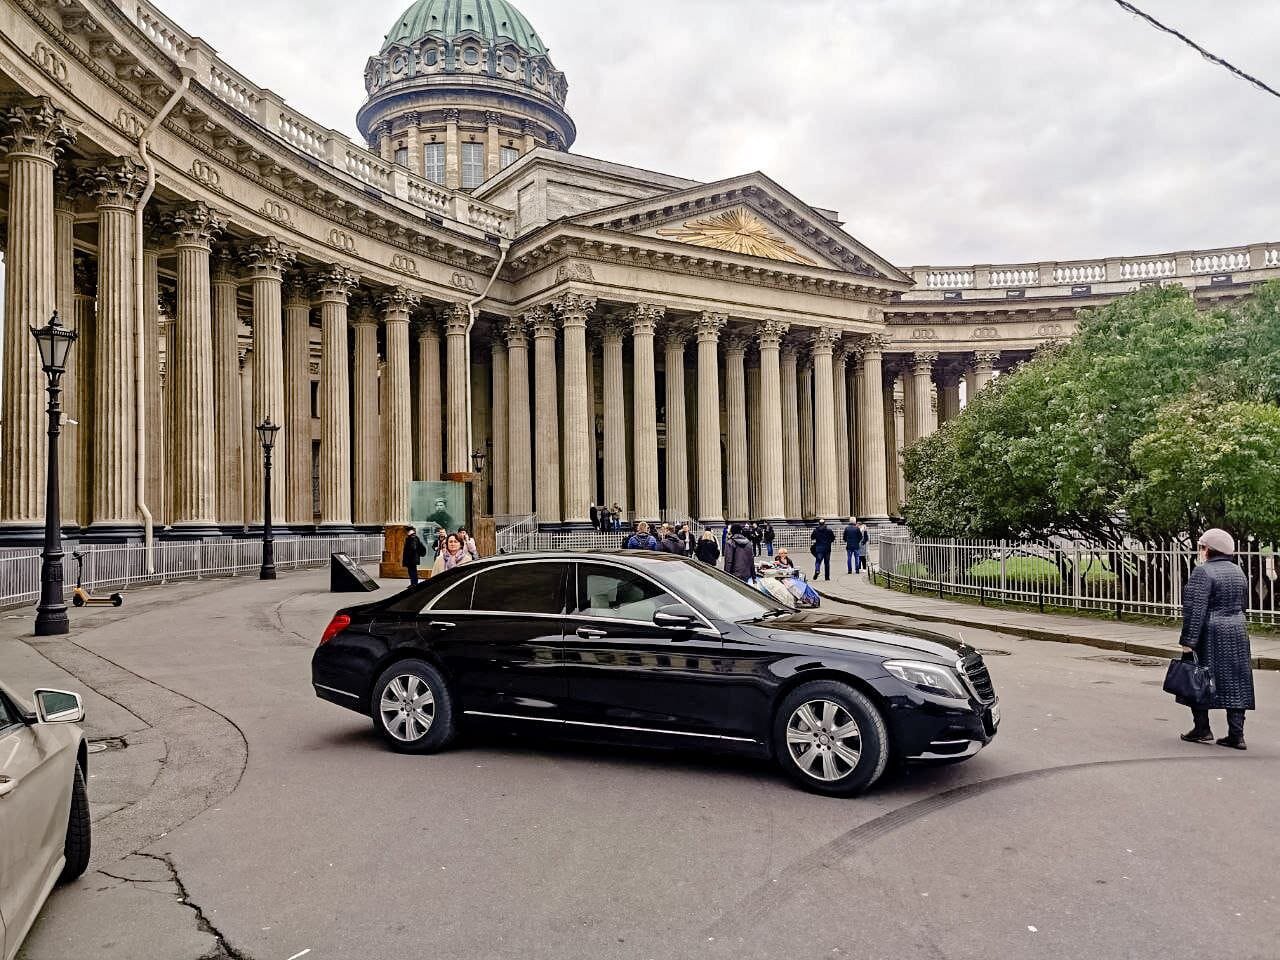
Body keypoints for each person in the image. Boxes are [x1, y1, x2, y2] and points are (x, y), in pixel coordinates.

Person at [1178, 529, 1254, 750]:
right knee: (1237, 682)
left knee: (1199, 679)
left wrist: (1187, 643)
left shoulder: (1202, 572)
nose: (1200, 551)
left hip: (1210, 633)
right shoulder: (1238, 571)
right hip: (1238, 631)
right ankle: (1236, 735)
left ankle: (1202, 728)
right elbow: (1243, 605)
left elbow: (1195, 610)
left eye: (1202, 547)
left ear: (1209, 550)